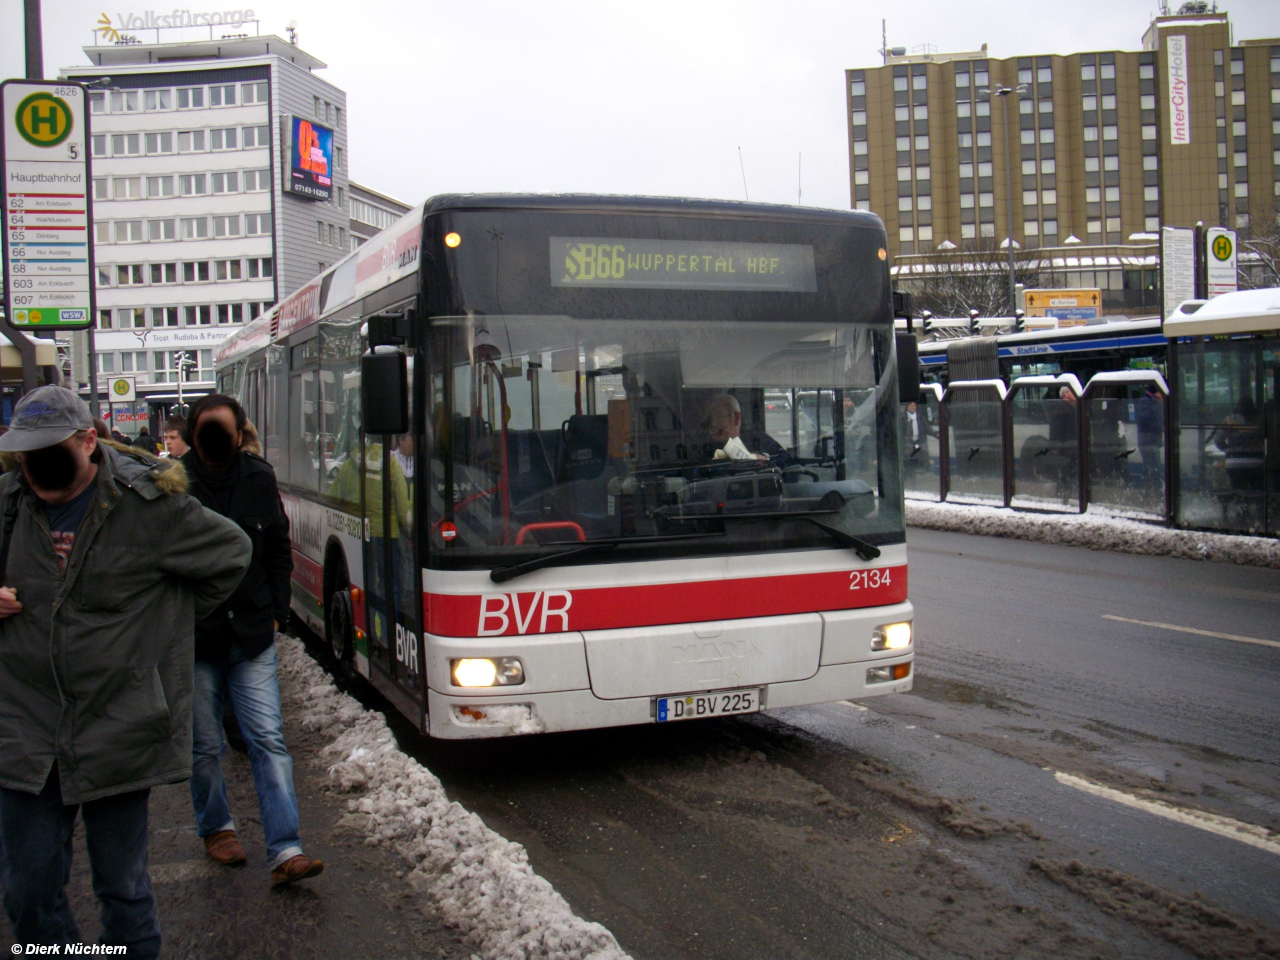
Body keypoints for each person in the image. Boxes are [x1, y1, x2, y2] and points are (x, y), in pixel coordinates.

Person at [0, 386, 251, 957]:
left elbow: (232, 554)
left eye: (48, 452)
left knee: (124, 890)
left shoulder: (148, 506)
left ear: (88, 442)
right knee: (27, 889)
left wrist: (162, 627)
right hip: (26, 725)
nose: (33, 466)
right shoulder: (8, 503)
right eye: (24, 454)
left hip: (118, 722)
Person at [179, 395, 323, 886]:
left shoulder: (259, 479)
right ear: (194, 436)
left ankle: (286, 849)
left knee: (267, 739)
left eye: (225, 431)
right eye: (207, 431)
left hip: (252, 635)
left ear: (240, 434)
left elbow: (278, 549)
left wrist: (279, 613)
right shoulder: (173, 487)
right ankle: (217, 828)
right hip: (196, 639)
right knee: (203, 745)